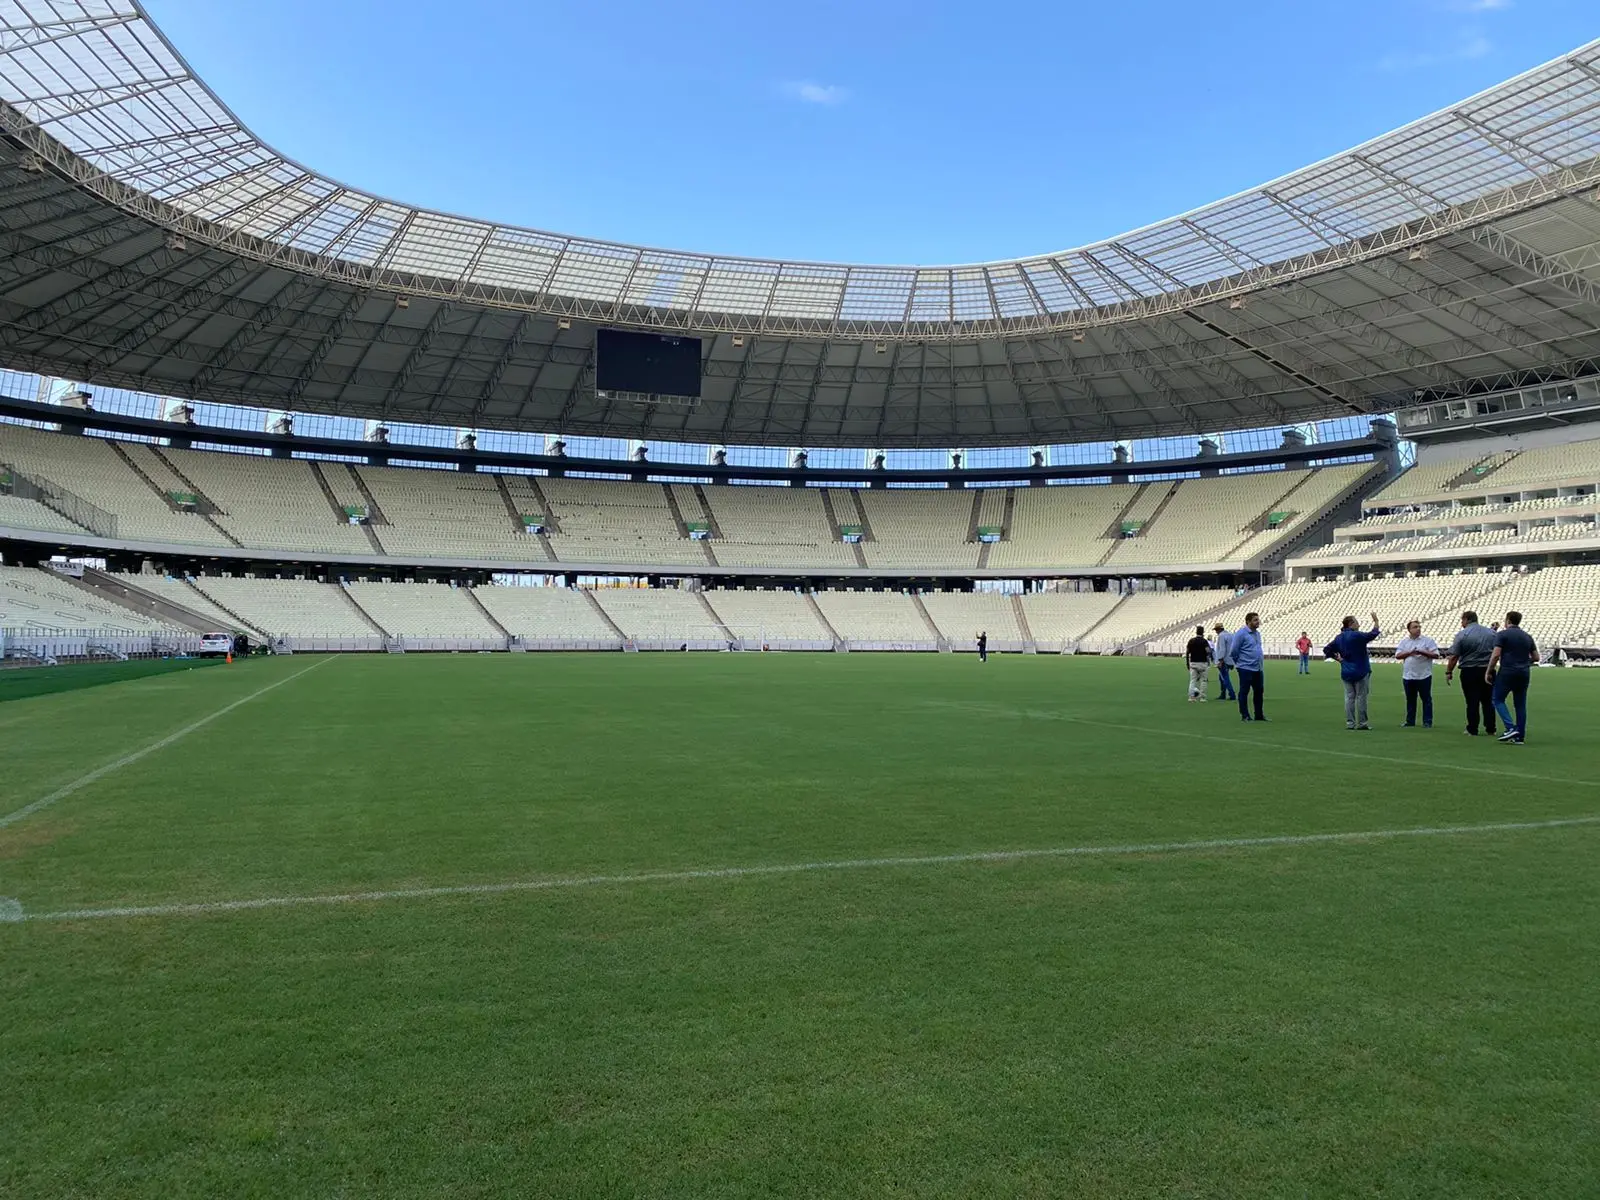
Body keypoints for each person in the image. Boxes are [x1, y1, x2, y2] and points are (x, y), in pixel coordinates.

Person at [1323, 612, 1382, 730]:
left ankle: (1350, 723)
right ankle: (1362, 723)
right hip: (1360, 669)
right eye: (1356, 622)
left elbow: (1327, 650)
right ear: (1351, 624)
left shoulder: (1339, 638)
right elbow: (1372, 634)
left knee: (1349, 697)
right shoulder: (1357, 635)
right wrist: (1376, 622)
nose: (1358, 624)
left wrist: (1338, 659)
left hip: (1346, 669)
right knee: (1361, 697)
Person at [1487, 611, 1538, 744]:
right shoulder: (1527, 637)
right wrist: (1524, 662)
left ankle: (1510, 727)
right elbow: (1536, 657)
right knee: (1520, 704)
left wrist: (1489, 671)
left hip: (1507, 671)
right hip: (1524, 672)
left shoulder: (1502, 635)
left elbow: (1496, 655)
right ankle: (1520, 736)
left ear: (1508, 620)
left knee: (1497, 699)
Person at [1444, 610, 1498, 736]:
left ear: (1467, 619)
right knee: (1488, 701)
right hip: (1488, 669)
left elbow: (1454, 656)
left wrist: (1449, 671)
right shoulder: (1492, 633)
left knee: (1472, 701)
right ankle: (1491, 728)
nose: (1461, 623)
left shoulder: (1462, 635)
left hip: (1469, 670)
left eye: (1462, 620)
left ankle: (1472, 728)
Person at [1393, 619, 1441, 728]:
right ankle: (1410, 721)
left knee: (1426, 699)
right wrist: (1410, 652)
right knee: (1410, 700)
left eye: (1419, 626)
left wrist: (1421, 651)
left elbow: (1436, 655)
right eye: (1415, 627)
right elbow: (1398, 655)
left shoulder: (1428, 641)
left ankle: (1427, 721)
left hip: (1424, 675)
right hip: (1408, 675)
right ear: (1409, 630)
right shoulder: (1404, 642)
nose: (1418, 629)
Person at [1230, 613, 1266, 722]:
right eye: (1255, 620)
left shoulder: (1257, 634)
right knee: (1244, 692)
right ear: (1248, 621)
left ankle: (1259, 715)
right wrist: (1240, 663)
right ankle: (1245, 715)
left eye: (1258, 619)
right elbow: (1234, 651)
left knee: (1259, 692)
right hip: (1245, 668)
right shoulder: (1241, 634)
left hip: (1258, 668)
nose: (1258, 622)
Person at [1185, 625, 1212, 702]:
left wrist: (1187, 663)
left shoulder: (1191, 641)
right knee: (1203, 680)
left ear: (1196, 632)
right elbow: (1208, 651)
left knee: (1192, 680)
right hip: (1202, 663)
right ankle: (1202, 697)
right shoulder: (1204, 641)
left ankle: (1191, 697)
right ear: (1203, 632)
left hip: (1193, 663)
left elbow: (1187, 652)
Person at [1213, 622, 1237, 702]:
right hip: (1230, 659)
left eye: (1216, 630)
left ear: (1218, 629)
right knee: (1221, 677)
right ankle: (1223, 694)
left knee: (1225, 677)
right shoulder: (1230, 635)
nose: (1216, 632)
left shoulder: (1221, 636)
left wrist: (1220, 660)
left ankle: (1232, 694)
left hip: (1224, 660)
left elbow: (1222, 649)